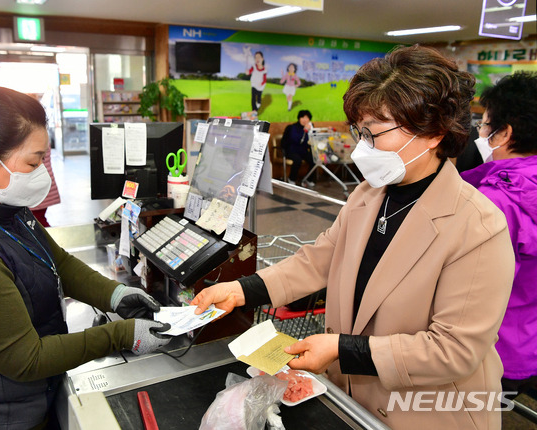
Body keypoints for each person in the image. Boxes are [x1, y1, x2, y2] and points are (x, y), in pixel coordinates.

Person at [192, 45, 516, 429]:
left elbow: (453, 350)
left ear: (433, 133)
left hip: (428, 412)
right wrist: (241, 290)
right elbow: (319, 259)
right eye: (359, 132)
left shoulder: (477, 226)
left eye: (374, 133)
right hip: (355, 400)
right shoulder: (368, 194)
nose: (363, 147)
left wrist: (343, 349)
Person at [0, 86, 171, 430]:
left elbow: (57, 261)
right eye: (32, 161)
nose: (42, 171)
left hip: (33, 403)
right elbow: (26, 358)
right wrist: (122, 335)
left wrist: (114, 294)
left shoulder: (3, 209)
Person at [461, 71, 537, 398]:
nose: (481, 133)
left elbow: (471, 290)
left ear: (504, 133)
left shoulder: (495, 201)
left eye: (485, 125)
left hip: (498, 346)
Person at [281, 109, 315, 187]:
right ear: (299, 118)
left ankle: (308, 179)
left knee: (314, 159)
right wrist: (304, 131)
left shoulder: (310, 128)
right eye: (303, 117)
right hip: (291, 150)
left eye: (307, 118)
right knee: (297, 160)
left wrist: (311, 130)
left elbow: (312, 140)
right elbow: (296, 140)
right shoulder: (292, 127)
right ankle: (291, 179)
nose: (305, 120)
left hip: (303, 151)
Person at [30, 147, 60, 227]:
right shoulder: (40, 137)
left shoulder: (31, 138)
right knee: (37, 219)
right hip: (40, 186)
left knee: (37, 221)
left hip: (36, 187)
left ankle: (48, 239)